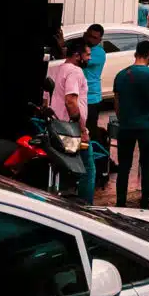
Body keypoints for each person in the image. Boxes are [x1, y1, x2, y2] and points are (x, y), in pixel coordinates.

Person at [112, 40, 149, 209]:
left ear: (136, 53)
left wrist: (125, 119)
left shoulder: (121, 75)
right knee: (146, 167)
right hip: (147, 127)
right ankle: (145, 204)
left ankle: (120, 203)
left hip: (126, 127)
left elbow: (117, 106)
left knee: (124, 167)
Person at [46, 38, 94, 204]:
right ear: (77, 55)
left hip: (58, 127)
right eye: (87, 54)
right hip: (71, 131)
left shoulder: (59, 68)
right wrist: (82, 130)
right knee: (88, 170)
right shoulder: (75, 71)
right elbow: (71, 101)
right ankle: (87, 209)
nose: (89, 58)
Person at [81, 23, 106, 135]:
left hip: (91, 97)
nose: (91, 39)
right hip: (80, 95)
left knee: (89, 130)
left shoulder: (99, 53)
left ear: (100, 39)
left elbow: (81, 62)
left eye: (94, 38)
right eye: (89, 35)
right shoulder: (82, 48)